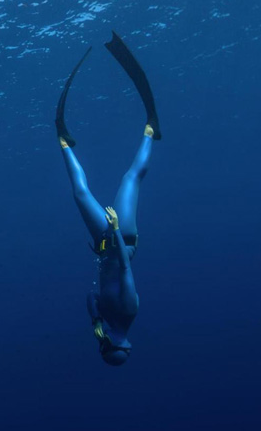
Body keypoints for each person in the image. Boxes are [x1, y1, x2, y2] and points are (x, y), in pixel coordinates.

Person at [56, 32, 161, 366]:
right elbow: (127, 270)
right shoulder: (129, 311)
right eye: (105, 348)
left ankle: (63, 140)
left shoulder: (105, 321)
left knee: (88, 190)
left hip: (106, 241)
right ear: (117, 346)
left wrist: (95, 321)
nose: (100, 345)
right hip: (120, 237)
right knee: (126, 180)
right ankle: (151, 129)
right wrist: (115, 230)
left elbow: (90, 295)